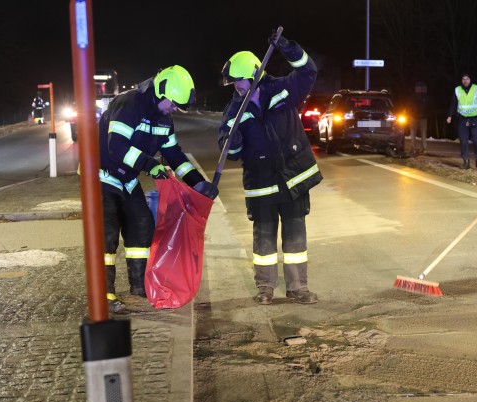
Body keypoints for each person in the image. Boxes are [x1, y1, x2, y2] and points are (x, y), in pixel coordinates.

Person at [98, 65, 219, 313]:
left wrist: (197, 182)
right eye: (173, 104)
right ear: (160, 91)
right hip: (101, 177)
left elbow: (173, 154)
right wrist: (149, 165)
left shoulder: (164, 118)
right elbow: (116, 147)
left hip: (128, 180)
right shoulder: (129, 104)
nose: (174, 109)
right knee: (107, 238)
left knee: (142, 227)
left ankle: (139, 286)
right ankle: (104, 295)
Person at [218, 34, 322, 305]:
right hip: (261, 184)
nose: (236, 87)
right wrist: (233, 143)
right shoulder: (233, 111)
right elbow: (229, 151)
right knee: (263, 242)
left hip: (292, 180)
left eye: (238, 81)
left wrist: (288, 48)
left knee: (295, 238)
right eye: (233, 83)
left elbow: (308, 70)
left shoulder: (282, 90)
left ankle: (298, 287)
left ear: (254, 74)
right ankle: (265, 288)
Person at [446, 73, 477, 170]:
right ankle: (466, 162)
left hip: (475, 118)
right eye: (463, 79)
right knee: (463, 140)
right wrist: (449, 115)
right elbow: (453, 103)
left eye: (467, 79)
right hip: (462, 119)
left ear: (470, 80)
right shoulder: (457, 90)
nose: (465, 81)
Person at [410, 81, 430, 156]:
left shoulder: (426, 97)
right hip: (415, 117)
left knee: (422, 134)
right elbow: (410, 106)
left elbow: (429, 107)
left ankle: (423, 148)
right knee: (414, 134)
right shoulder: (414, 97)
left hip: (422, 117)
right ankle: (413, 148)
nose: (420, 89)